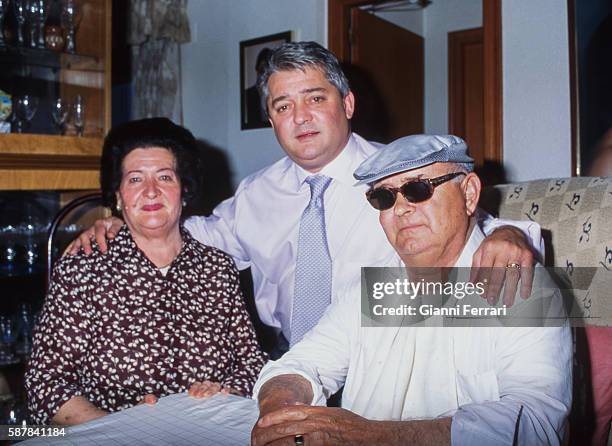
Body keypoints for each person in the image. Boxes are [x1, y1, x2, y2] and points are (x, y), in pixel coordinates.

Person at [69, 42, 540, 356]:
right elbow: (193, 236)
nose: (301, 117)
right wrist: (120, 222)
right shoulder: (256, 194)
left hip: (390, 360)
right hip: (287, 365)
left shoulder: (400, 177)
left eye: (315, 98)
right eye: (283, 106)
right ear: (271, 120)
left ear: (347, 104)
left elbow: (467, 226)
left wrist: (510, 232)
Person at [251, 135, 572, 446]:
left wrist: (373, 438)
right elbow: (300, 365)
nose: (400, 208)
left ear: (470, 194)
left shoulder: (520, 282)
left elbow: (536, 422)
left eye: (418, 189)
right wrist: (281, 418)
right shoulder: (368, 290)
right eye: (384, 197)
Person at [25, 118, 266, 426]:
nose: (151, 192)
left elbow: (252, 364)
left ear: (185, 189)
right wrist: (120, 428)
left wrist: (226, 392)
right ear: (117, 195)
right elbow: (45, 385)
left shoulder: (217, 268)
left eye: (165, 177)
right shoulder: (82, 270)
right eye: (135, 180)